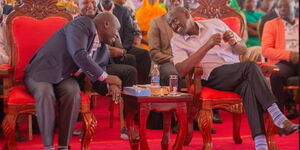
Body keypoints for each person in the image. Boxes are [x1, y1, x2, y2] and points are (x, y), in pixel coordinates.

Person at [167, 7, 298, 150]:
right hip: (211, 75)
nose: (174, 25)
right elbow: (181, 70)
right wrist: (207, 45)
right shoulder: (177, 41)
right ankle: (277, 115)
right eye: (170, 24)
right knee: (250, 67)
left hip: (236, 72)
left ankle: (260, 144)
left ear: (186, 14)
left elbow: (243, 50)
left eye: (175, 20)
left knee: (248, 86)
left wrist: (234, 43)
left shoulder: (215, 23)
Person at [24, 13, 122, 150]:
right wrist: (105, 76)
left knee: (73, 91)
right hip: (41, 72)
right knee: (45, 92)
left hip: (65, 77)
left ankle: (64, 146)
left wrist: (110, 85)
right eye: (116, 30)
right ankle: (48, 147)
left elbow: (99, 81)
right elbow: (78, 53)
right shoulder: (82, 24)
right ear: (106, 24)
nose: (117, 36)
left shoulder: (103, 51)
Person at [77, 0, 137, 140]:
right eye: (85, 2)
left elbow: (113, 41)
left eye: (92, 2)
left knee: (131, 68)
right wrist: (109, 80)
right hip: (85, 67)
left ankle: (128, 124)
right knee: (84, 75)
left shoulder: (104, 18)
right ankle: (85, 124)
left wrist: (120, 51)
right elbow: (83, 55)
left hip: (104, 63)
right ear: (77, 4)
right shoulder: (76, 23)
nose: (90, 5)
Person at [98, 0, 151, 84]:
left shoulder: (123, 10)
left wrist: (122, 50)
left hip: (123, 46)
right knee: (130, 58)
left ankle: (145, 85)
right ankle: (130, 88)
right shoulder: (95, 9)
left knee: (144, 54)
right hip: (104, 48)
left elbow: (129, 34)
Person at [262, 0, 298, 119]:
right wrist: (289, 54)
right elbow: (266, 50)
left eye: (286, 6)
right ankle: (279, 118)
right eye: (280, 7)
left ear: (295, 6)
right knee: (276, 74)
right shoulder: (271, 24)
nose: (282, 9)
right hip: (283, 62)